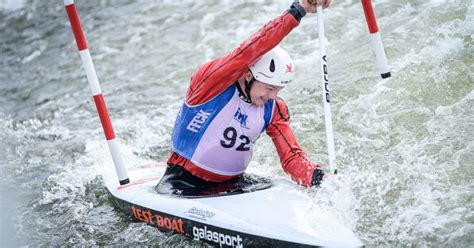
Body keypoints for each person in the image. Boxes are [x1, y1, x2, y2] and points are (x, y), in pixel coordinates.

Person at [156, 0, 332, 196]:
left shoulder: (273, 108)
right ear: (249, 75)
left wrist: (317, 178)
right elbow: (248, 50)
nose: (273, 96)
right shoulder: (211, 85)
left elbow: (291, 156)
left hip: (234, 184)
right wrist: (298, 10)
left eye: (278, 90)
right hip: (183, 181)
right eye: (269, 88)